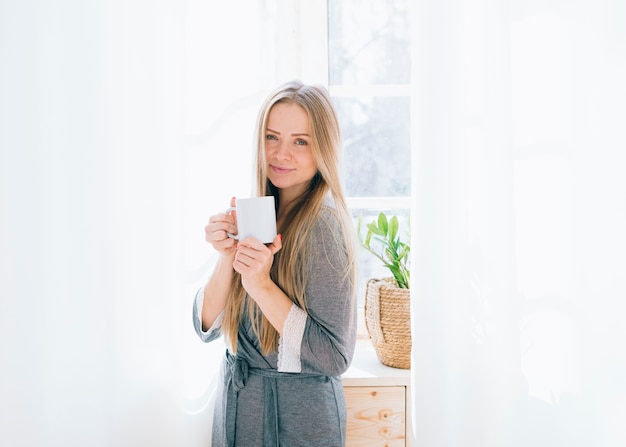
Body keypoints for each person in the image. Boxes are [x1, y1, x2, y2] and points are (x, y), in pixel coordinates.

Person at [193, 80, 358, 447]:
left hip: (294, 423)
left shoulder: (324, 227)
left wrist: (261, 285)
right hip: (241, 410)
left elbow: (335, 356)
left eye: (300, 141)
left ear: (324, 149)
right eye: (272, 137)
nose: (281, 153)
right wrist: (226, 259)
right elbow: (206, 325)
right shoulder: (261, 214)